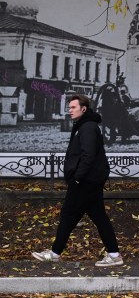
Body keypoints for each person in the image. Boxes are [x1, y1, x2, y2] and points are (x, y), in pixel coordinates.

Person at [32, 94, 123, 267]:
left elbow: (87, 156)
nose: (70, 110)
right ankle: (113, 254)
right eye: (69, 107)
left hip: (85, 181)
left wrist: (78, 178)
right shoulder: (85, 125)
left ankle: (55, 254)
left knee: (69, 215)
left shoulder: (87, 127)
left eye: (73, 107)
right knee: (93, 217)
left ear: (84, 109)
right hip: (89, 181)